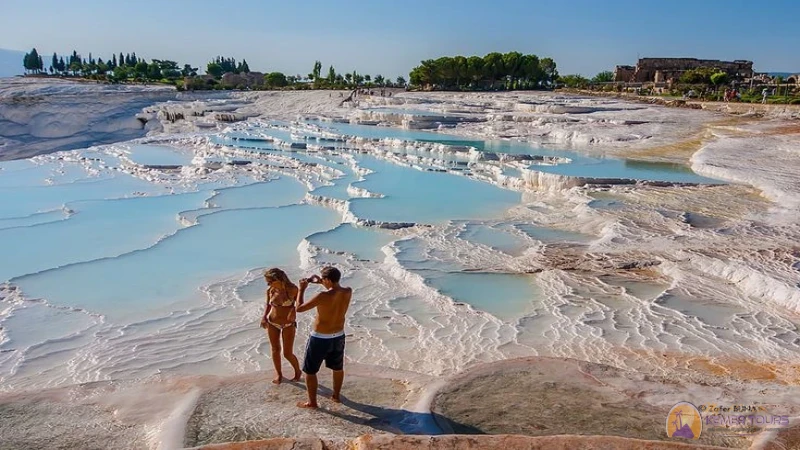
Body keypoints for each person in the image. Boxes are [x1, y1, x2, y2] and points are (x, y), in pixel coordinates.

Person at [295, 266, 352, 408]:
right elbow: (334, 288)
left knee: (309, 370)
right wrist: (321, 281)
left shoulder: (322, 296)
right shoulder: (347, 291)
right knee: (337, 367)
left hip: (320, 337)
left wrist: (302, 288)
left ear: (327, 280)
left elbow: (299, 308)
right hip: (338, 335)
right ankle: (336, 396)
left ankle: (312, 402)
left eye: (324, 279)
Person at [260, 268, 301, 384]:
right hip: (273, 322)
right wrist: (264, 317)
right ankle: (279, 374)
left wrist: (294, 311)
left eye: (270, 281)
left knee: (287, 353)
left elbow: (299, 304)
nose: (268, 284)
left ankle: (298, 371)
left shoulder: (293, 289)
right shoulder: (271, 291)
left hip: (289, 324)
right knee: (275, 349)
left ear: (278, 279)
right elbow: (268, 305)